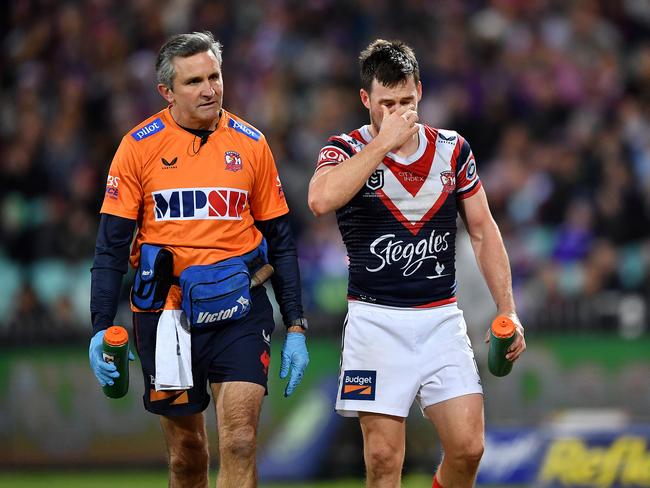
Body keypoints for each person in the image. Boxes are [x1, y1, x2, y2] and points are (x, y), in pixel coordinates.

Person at [88, 31, 309, 488]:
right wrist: (98, 326)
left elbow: (282, 242)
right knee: (188, 458)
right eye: (194, 82)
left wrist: (298, 324)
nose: (209, 89)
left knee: (241, 442)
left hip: (241, 308)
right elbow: (111, 246)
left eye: (215, 76)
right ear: (166, 91)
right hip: (167, 314)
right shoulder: (137, 147)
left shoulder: (252, 144)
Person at [308, 39, 526, 488]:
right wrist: (382, 145)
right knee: (384, 460)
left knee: (468, 448)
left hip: (440, 319)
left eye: (407, 101)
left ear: (421, 91)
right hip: (374, 321)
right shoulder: (345, 149)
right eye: (387, 104)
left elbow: (484, 231)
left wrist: (508, 309)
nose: (399, 112)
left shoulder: (453, 150)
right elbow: (320, 198)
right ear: (365, 99)